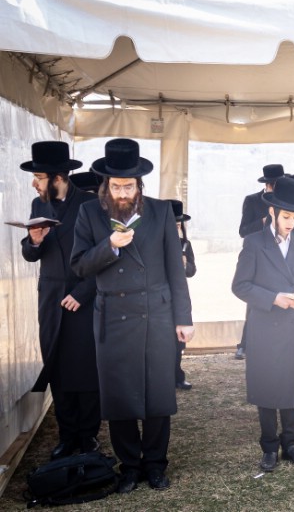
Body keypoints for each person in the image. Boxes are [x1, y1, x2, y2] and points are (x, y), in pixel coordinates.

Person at [71, 138, 194, 493]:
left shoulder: (160, 211)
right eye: (116, 186)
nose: (123, 193)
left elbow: (175, 270)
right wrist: (109, 246)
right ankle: (129, 465)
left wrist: (183, 317)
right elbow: (79, 265)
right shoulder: (89, 213)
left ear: (139, 185)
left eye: (129, 186)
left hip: (157, 312)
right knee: (119, 394)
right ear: (105, 186)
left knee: (158, 393)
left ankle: (155, 463)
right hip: (113, 314)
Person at [20, 141, 101, 460]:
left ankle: (88, 435)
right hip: (51, 299)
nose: (34, 183)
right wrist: (33, 241)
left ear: (57, 178)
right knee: (57, 365)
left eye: (39, 177)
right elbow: (30, 254)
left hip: (84, 298)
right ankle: (67, 435)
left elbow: (106, 257)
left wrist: (82, 293)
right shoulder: (37, 205)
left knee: (86, 367)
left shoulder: (92, 205)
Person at [231, 176, 294, 472]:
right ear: (272, 212)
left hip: (292, 321)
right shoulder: (254, 242)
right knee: (266, 386)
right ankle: (269, 446)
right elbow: (240, 286)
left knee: (291, 385)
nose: (291, 222)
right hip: (264, 325)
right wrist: (273, 298)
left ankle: (290, 444)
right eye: (286, 216)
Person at [235, 164, 285, 360]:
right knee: (254, 300)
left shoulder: (285, 200)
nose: (276, 188)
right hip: (256, 256)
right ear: (267, 185)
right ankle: (245, 344)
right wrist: (263, 222)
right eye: (274, 185)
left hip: (280, 256)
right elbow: (243, 231)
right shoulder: (252, 200)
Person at [169, 199, 196, 390]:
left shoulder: (185, 244)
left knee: (179, 342)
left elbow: (192, 271)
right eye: (173, 224)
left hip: (179, 297)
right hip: (160, 296)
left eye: (179, 225)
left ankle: (178, 376)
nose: (176, 228)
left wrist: (185, 264)